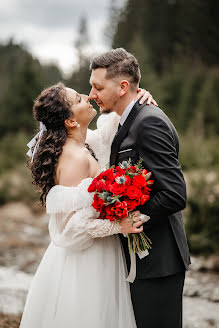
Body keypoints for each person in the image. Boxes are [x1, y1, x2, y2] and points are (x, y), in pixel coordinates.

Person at [20, 83, 155, 327]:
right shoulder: (74, 158)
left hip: (101, 252)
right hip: (86, 260)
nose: (87, 96)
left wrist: (137, 98)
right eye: (78, 99)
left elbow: (109, 131)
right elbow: (70, 228)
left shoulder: (85, 143)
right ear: (71, 122)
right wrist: (118, 225)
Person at [89, 48, 191, 328]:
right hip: (141, 261)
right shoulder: (125, 121)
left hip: (159, 261)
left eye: (98, 87)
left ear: (123, 87)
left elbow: (174, 194)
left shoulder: (149, 122)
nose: (92, 95)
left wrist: (129, 215)